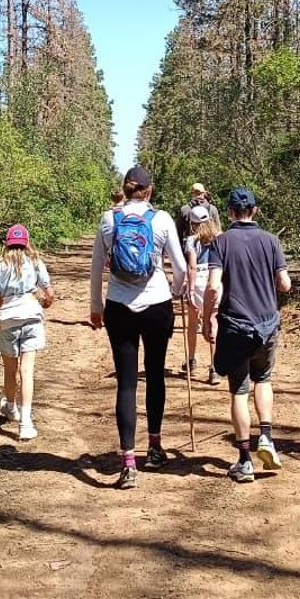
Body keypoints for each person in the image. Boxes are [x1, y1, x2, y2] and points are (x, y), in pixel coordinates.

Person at [90, 165, 187, 489]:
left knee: (127, 384)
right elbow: (182, 267)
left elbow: (95, 269)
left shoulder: (108, 220)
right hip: (156, 305)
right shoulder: (161, 220)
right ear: (150, 190)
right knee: (155, 374)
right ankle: (155, 448)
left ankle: (128, 462)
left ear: (125, 188)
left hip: (119, 305)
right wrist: (174, 290)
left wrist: (96, 306)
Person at [203, 187, 291, 483]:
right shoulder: (271, 241)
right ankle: (265, 436)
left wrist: (207, 319)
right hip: (267, 324)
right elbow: (285, 284)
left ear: (229, 212)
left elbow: (214, 286)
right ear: (255, 210)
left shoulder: (221, 242)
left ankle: (244, 460)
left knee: (239, 390)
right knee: (263, 380)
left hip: (235, 326)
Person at [0, 224, 55, 442]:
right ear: (27, 243)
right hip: (32, 316)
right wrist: (43, 302)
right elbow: (49, 294)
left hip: (8, 320)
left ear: (7, 244)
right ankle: (25, 423)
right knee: (27, 371)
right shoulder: (35, 262)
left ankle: (11, 407)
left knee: (10, 369)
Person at [184, 205, 222, 383]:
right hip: (215, 279)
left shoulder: (192, 240)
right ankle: (214, 368)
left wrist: (190, 290)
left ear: (192, 223)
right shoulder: (219, 238)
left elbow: (192, 266)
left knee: (193, 322)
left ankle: (191, 360)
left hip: (198, 280)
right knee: (213, 322)